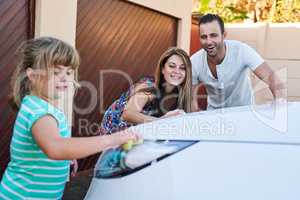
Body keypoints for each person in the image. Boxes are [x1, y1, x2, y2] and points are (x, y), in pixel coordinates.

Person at [0, 37, 140, 199]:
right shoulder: (40, 113)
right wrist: (113, 139)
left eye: (68, 72)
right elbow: (55, 147)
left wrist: (68, 156)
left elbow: (51, 143)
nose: (64, 77)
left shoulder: (39, 105)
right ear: (32, 75)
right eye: (56, 72)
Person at [191, 14, 286, 111]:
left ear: (224, 35)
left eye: (213, 35)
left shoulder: (241, 50)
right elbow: (190, 98)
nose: (209, 41)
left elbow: (271, 77)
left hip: (243, 112)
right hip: (214, 114)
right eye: (204, 37)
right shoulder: (194, 61)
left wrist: (279, 102)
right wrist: (197, 115)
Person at [101, 47, 192, 134]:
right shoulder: (148, 86)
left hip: (141, 133)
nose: (177, 71)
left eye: (182, 68)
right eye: (172, 66)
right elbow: (127, 114)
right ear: (162, 69)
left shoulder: (182, 94)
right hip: (115, 131)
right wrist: (161, 121)